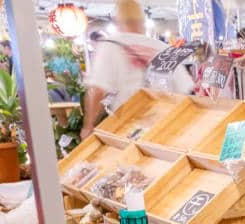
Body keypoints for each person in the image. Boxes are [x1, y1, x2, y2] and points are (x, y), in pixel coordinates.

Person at [80, 0, 192, 139]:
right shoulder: (164, 48)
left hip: (129, 128)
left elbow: (97, 90)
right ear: (142, 22)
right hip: (166, 127)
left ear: (117, 21)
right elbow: (186, 91)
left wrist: (88, 126)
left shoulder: (109, 46)